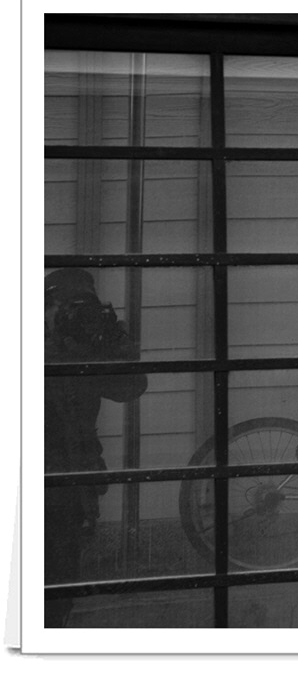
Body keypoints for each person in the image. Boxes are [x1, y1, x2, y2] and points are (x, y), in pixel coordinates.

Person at [44, 268, 147, 627]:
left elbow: (131, 387)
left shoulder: (86, 346)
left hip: (73, 479)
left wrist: (113, 340)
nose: (76, 318)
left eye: (84, 309)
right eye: (67, 308)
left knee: (59, 584)